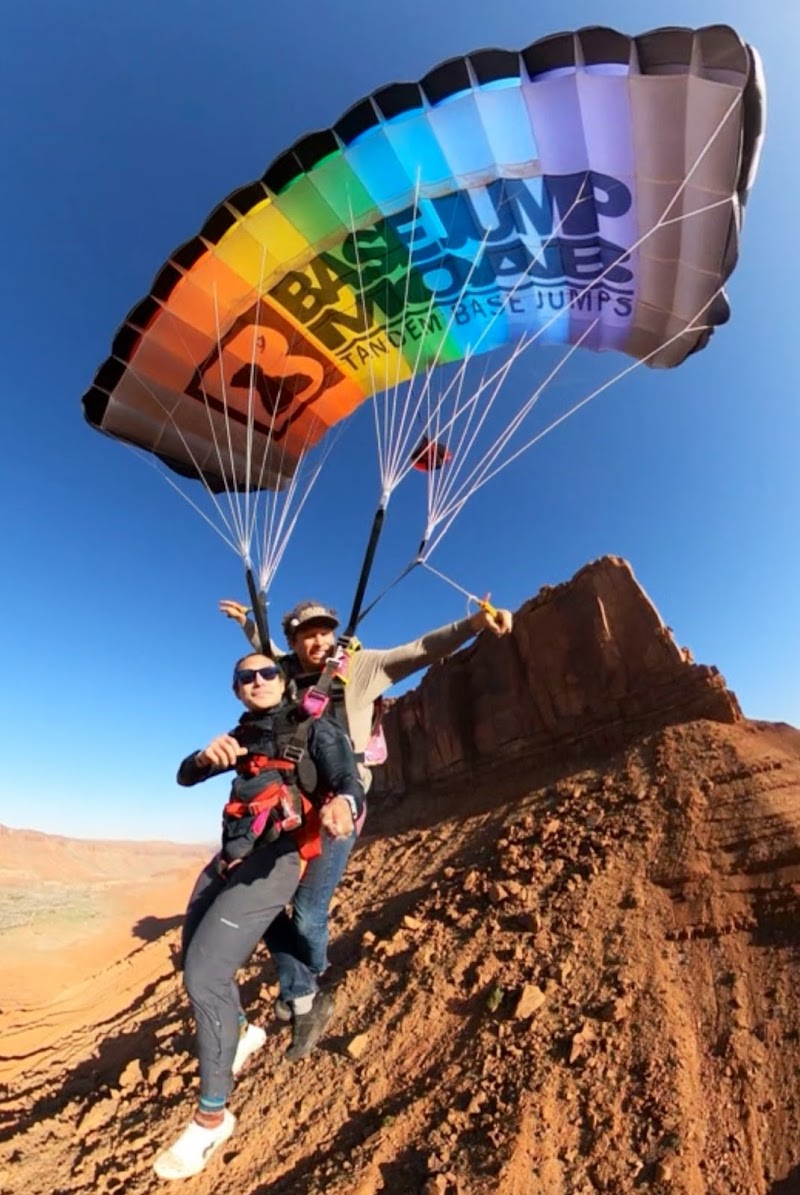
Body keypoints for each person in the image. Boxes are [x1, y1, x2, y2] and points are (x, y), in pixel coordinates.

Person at [219, 596, 513, 1020]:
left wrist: (476, 624)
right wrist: (247, 624)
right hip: (292, 801)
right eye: (307, 635)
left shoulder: (361, 669)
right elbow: (268, 651)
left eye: (325, 632)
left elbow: (419, 650)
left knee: (306, 915)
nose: (318, 641)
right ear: (294, 641)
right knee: (257, 896)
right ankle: (300, 984)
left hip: (340, 802)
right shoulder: (284, 674)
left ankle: (311, 981)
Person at [153, 652, 364, 1182]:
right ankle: (242, 1031)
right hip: (229, 857)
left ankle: (212, 1116)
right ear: (237, 690)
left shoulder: (316, 726)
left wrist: (344, 804)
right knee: (192, 953)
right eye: (246, 677)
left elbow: (346, 778)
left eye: (268, 672)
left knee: (206, 974)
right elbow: (183, 777)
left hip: (276, 859)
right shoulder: (240, 734)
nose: (258, 681)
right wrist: (203, 761)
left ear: (284, 680)